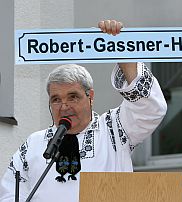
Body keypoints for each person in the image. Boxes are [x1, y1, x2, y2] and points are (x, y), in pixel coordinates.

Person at [0, 20, 167, 202]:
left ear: (90, 97)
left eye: (73, 97)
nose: (64, 107)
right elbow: (10, 193)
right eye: (56, 99)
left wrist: (123, 48)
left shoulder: (114, 130)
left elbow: (150, 109)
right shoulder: (34, 144)